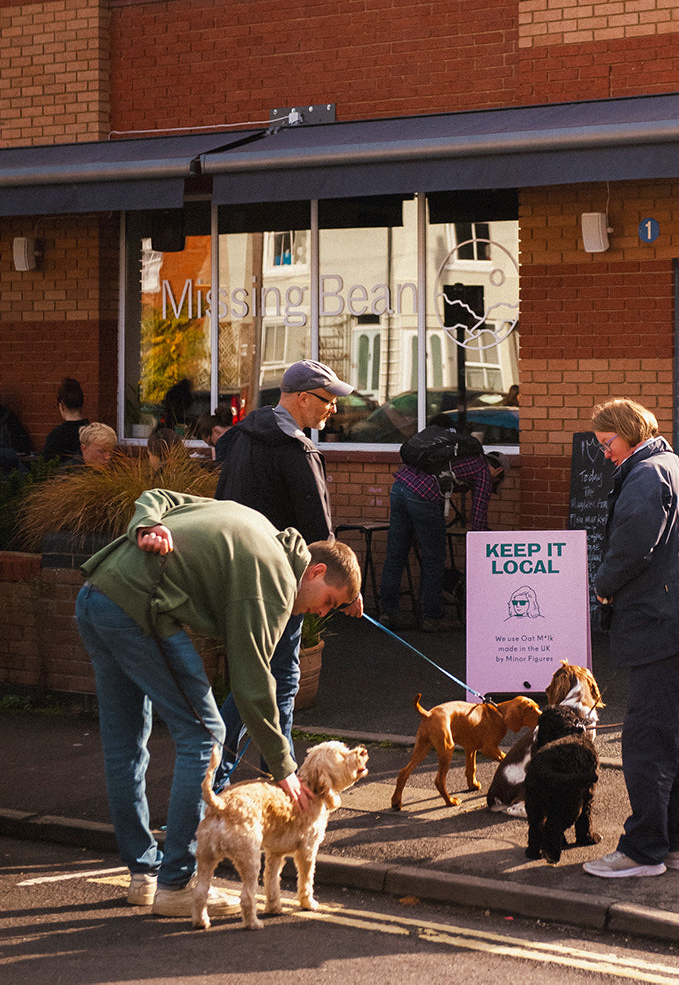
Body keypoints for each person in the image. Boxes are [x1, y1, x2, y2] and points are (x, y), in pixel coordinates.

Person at [75, 488, 362, 916]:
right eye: (329, 601)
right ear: (315, 571)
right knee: (205, 736)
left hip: (97, 597)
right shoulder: (276, 582)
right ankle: (175, 885)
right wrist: (284, 769)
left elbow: (158, 496)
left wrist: (145, 525)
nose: (322, 612)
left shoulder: (256, 523)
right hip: (139, 611)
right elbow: (251, 681)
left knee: (126, 744)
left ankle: (143, 876)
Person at [583, 399, 679, 878]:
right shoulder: (664, 462)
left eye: (607, 443)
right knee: (673, 735)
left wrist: (601, 586)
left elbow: (632, 548)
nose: (604, 453)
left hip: (665, 622)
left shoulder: (647, 474)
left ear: (628, 433)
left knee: (648, 738)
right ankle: (673, 844)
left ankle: (643, 850)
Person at [212, 359, 361, 790]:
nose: (332, 409)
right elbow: (320, 534)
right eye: (327, 400)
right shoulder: (298, 450)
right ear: (301, 399)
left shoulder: (240, 438)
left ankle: (241, 781)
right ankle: (272, 785)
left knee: (255, 678)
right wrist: (345, 590)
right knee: (276, 683)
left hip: (237, 575)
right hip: (283, 584)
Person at [378, 441, 508, 632]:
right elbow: (479, 521)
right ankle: (432, 617)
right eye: (497, 481)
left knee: (396, 554)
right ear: (498, 471)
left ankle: (388, 613)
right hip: (422, 494)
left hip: (399, 487)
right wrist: (489, 543)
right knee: (435, 558)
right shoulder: (482, 471)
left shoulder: (457, 455)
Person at [42, 377, 89, 460]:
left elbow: (46, 465)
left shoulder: (56, 436)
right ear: (82, 403)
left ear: (62, 405)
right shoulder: (93, 433)